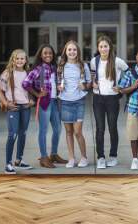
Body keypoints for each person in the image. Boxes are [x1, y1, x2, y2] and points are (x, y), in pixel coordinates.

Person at [22, 44, 67, 168]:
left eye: (50, 53)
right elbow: (25, 83)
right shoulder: (38, 69)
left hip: (54, 102)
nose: (48, 55)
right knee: (43, 130)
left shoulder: (54, 68)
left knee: (57, 129)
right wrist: (37, 94)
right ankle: (43, 157)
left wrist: (59, 88)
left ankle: (53, 154)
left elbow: (57, 83)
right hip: (44, 103)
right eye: (45, 53)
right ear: (41, 55)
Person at [90, 35, 129, 169]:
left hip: (112, 98)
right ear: (98, 48)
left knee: (112, 127)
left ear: (110, 47)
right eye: (101, 46)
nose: (103, 49)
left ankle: (113, 156)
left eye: (105, 46)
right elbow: (93, 76)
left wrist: (121, 86)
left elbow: (129, 73)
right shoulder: (94, 61)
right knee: (100, 128)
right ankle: (100, 157)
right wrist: (93, 83)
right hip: (98, 99)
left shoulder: (118, 61)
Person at [0, 49, 34, 174]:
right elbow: (0, 91)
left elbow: (31, 89)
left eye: (22, 58)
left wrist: (32, 100)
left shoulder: (28, 73)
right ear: (13, 60)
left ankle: (18, 160)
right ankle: (8, 163)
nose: (19, 61)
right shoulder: (7, 73)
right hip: (14, 107)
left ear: (26, 60)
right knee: (12, 134)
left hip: (26, 107)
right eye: (17, 58)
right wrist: (6, 103)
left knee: (23, 133)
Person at [57, 40, 92, 168]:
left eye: (74, 50)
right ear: (65, 52)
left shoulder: (83, 66)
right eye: (69, 50)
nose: (72, 52)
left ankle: (84, 157)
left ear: (78, 52)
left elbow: (89, 83)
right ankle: (71, 158)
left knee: (77, 132)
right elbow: (57, 82)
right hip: (65, 101)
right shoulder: (61, 66)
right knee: (68, 132)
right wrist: (58, 87)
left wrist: (84, 86)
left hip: (79, 101)